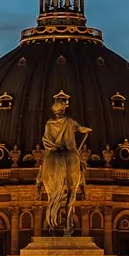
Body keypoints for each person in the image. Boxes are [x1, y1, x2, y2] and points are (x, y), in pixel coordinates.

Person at [39, 96, 91, 236]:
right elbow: (81, 129)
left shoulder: (49, 124)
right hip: (69, 150)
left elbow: (46, 141)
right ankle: (82, 181)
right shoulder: (69, 121)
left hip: (53, 150)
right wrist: (87, 130)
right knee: (77, 163)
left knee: (45, 161)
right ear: (62, 110)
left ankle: (39, 178)